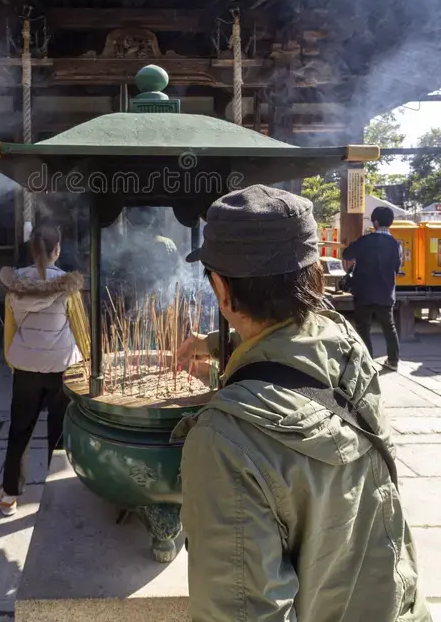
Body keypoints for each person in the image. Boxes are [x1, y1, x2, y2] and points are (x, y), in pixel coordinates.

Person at [175, 186, 430, 622]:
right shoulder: (349, 351)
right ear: (313, 275)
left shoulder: (225, 441)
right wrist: (215, 345)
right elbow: (294, 340)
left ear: (221, 289)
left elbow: (240, 611)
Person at [0, 224, 84, 516]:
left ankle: (9, 495)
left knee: (20, 429)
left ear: (33, 251)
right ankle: (57, 494)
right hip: (61, 367)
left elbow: (10, 329)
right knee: (60, 431)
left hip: (25, 369)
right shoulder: (68, 287)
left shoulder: (14, 286)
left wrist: (12, 360)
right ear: (57, 250)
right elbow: (81, 330)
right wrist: (88, 361)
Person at [342, 205, 402, 371]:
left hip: (364, 292)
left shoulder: (365, 240)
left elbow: (347, 254)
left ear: (375, 221)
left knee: (363, 327)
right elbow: (397, 267)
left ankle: (367, 361)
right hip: (385, 292)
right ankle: (393, 361)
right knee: (389, 327)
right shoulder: (395, 244)